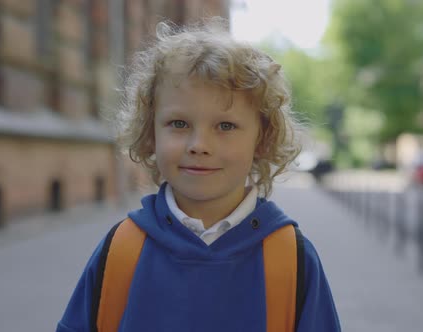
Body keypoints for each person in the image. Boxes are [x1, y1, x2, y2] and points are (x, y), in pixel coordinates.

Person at [57, 18, 340, 332]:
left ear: (262, 139)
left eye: (225, 126)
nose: (199, 145)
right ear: (150, 132)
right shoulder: (122, 249)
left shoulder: (291, 257)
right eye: (179, 124)